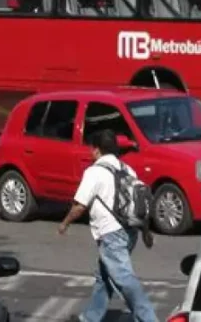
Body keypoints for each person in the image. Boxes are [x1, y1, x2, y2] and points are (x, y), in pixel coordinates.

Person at [58, 128, 157, 322]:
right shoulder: (127, 169)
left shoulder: (94, 172)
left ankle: (149, 319)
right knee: (104, 277)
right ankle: (91, 317)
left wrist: (65, 223)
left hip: (111, 234)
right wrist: (146, 232)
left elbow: (79, 206)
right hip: (130, 231)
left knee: (124, 279)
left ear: (96, 150)